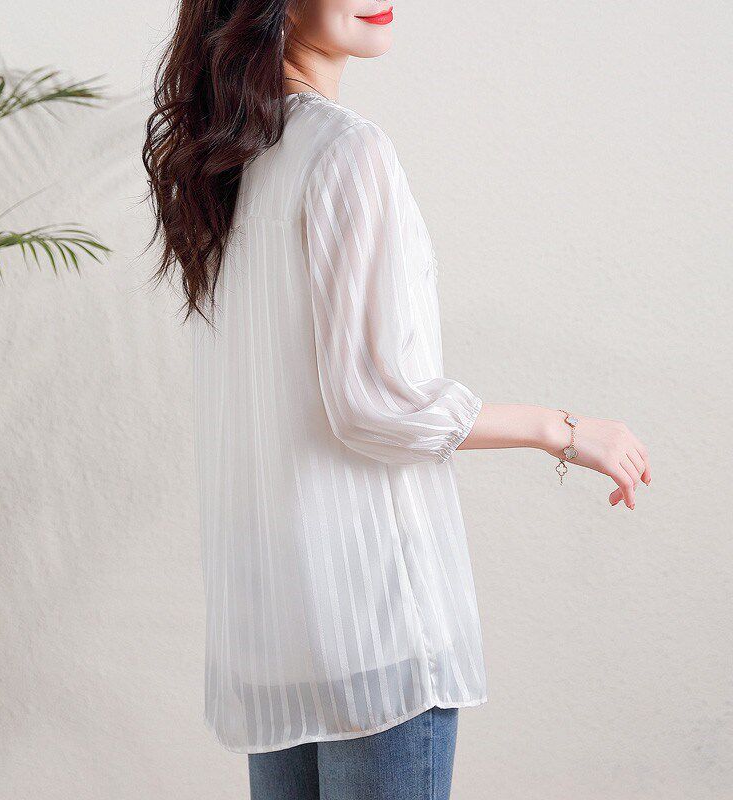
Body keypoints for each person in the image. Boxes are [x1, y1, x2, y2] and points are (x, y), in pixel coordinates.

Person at [142, 2, 651, 798]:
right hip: (375, 622)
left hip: (278, 637)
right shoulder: (346, 151)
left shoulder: (228, 163)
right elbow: (373, 405)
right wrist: (562, 429)